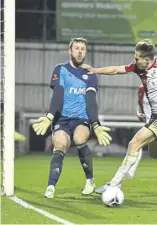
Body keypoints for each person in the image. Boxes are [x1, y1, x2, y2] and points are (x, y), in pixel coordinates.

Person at [83, 39, 157, 194]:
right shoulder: (139, 67)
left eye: (137, 58)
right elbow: (117, 70)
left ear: (147, 60)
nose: (134, 60)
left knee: (134, 143)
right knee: (156, 153)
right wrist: (95, 70)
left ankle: (114, 184)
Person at [32, 37, 112, 198]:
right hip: (62, 118)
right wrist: (49, 117)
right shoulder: (60, 69)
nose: (80, 51)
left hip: (81, 117)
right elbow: (58, 94)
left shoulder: (91, 74)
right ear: (70, 51)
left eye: (83, 49)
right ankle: (51, 186)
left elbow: (91, 101)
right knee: (60, 144)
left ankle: (90, 180)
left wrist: (96, 124)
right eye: (77, 48)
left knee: (80, 138)